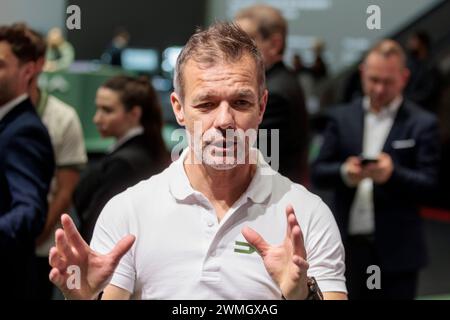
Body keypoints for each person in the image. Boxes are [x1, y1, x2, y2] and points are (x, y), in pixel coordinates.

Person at [48, 22, 346, 300]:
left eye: (241, 102)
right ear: (178, 109)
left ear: (262, 106)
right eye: (206, 104)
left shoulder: (307, 215)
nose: (224, 120)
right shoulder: (129, 211)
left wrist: (302, 295)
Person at [312, 40, 440, 299]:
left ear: (404, 78)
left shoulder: (422, 123)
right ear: (362, 73)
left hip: (398, 251)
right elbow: (318, 172)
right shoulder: (341, 117)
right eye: (373, 80)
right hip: (345, 248)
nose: (379, 89)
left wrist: (393, 175)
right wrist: (345, 172)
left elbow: (431, 185)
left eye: (388, 82)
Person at [17, 24, 88, 299]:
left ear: (33, 67)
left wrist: (38, 234)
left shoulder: (63, 117)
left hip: (39, 246)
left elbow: (65, 190)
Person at [73, 75, 169, 242]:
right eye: (98, 109)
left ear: (134, 114)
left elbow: (99, 224)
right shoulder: (145, 151)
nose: (97, 119)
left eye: (107, 110)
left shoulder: (124, 164)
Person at [0, 24, 55, 299]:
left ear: (28, 71)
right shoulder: (8, 121)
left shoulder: (25, 130)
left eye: (0, 65)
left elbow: (29, 211)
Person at [235, 5, 309, 185]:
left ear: (275, 44)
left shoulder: (275, 92)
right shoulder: (282, 80)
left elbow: (260, 159)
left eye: (246, 42)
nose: (235, 50)